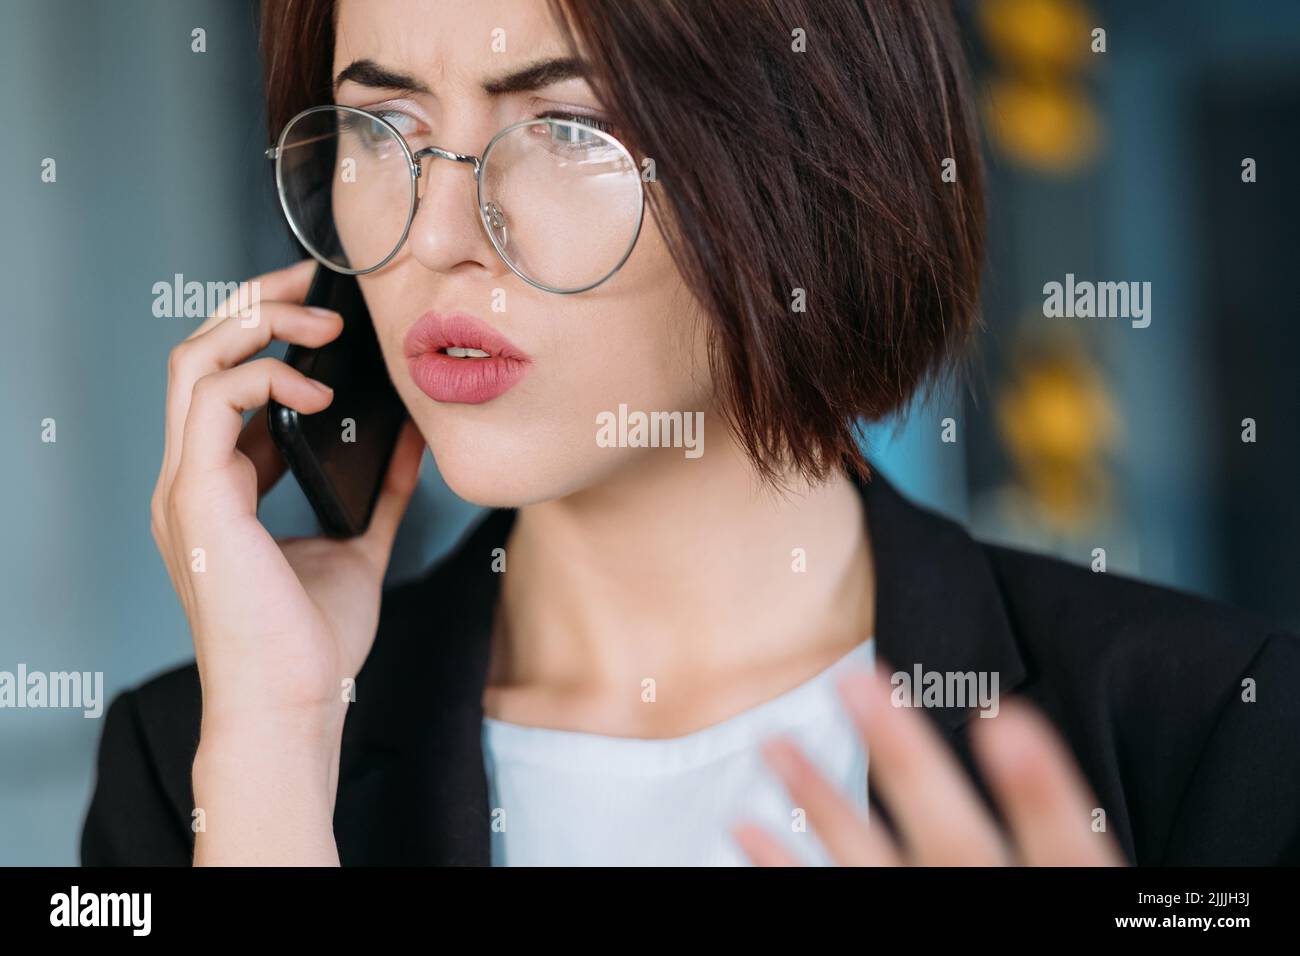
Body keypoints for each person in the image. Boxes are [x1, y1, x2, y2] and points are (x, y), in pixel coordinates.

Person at [81, 0, 1299, 866]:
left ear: (803, 157)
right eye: (380, 129)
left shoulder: (1206, 731)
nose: (436, 230)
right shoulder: (207, 750)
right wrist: (275, 767)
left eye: (563, 127)